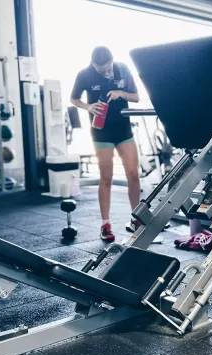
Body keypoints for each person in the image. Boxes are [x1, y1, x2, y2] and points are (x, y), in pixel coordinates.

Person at [70, 46, 142, 241]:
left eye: (108, 67)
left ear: (112, 60)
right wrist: (88, 106)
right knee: (107, 177)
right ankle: (105, 224)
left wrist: (121, 93)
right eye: (102, 70)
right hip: (101, 131)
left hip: (123, 129)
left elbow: (136, 96)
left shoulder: (123, 70)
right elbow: (74, 98)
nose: (107, 71)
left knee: (133, 174)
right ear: (94, 65)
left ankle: (136, 218)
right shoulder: (84, 75)